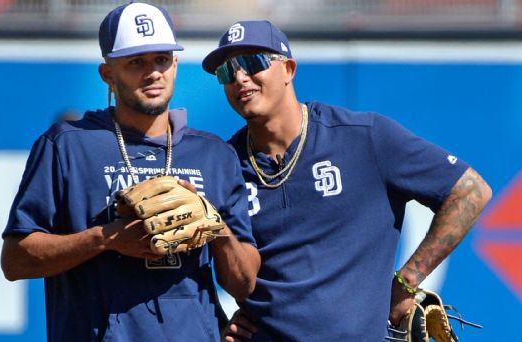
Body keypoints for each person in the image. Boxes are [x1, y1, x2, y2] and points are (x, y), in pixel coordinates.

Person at [201, 20, 492, 341]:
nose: (240, 77)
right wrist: (219, 325)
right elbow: (200, 271)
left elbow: (471, 190)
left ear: (288, 69)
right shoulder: (225, 164)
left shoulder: (363, 137)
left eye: (254, 62)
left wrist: (406, 282)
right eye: (227, 72)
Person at [0, 2, 260, 341]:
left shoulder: (213, 154)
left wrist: (215, 226)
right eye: (136, 62)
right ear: (107, 73)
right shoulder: (67, 146)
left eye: (161, 59)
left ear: (176, 65)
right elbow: (16, 260)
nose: (153, 72)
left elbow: (244, 282)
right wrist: (106, 239)